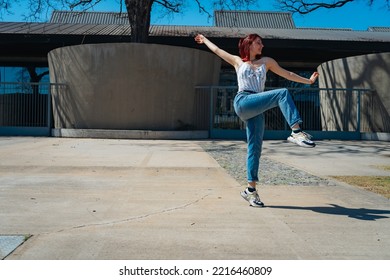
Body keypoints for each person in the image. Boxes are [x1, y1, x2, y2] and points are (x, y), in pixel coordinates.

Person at [194, 33, 319, 207]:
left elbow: (287, 73)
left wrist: (309, 81)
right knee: (282, 93)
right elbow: (217, 50)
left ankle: (250, 191)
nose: (262, 46)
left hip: (256, 108)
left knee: (255, 150)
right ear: (249, 44)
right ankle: (296, 132)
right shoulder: (238, 61)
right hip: (243, 101)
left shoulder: (267, 62)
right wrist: (204, 40)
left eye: (261, 43)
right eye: (258, 43)